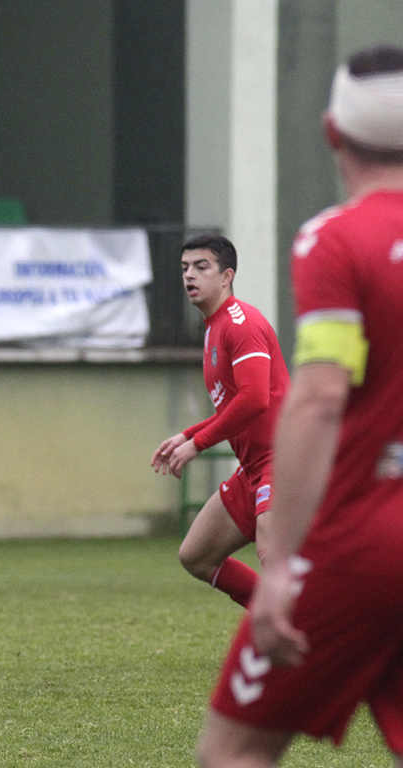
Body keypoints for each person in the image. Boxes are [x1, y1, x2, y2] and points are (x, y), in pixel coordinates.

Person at [197, 46, 403, 766]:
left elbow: (316, 400)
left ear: (332, 133)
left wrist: (280, 565)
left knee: (234, 750)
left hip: (366, 542)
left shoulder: (335, 241)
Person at [152, 235, 290, 608]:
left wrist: (197, 444)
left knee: (273, 552)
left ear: (226, 276)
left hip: (284, 460)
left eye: (201, 267)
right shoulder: (213, 327)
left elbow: (255, 399)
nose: (189, 276)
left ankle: (310, 642)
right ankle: (276, 620)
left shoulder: (240, 324)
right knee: (196, 554)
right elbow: (233, 405)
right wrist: (186, 433)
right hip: (254, 468)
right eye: (184, 268)